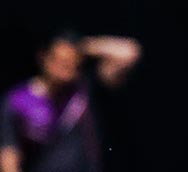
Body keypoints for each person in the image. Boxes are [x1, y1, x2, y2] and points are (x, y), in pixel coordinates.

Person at [0, 30, 141, 172]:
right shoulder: (17, 101)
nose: (64, 69)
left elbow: (129, 52)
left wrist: (83, 46)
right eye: (60, 61)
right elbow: (9, 156)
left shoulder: (85, 89)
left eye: (71, 62)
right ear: (43, 56)